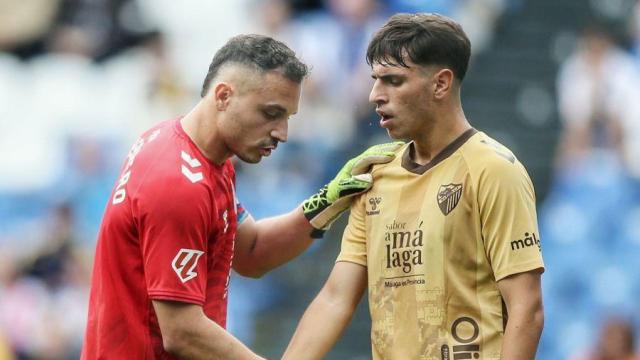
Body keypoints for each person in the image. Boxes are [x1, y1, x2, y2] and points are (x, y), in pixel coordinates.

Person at [81, 34, 402, 359]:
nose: (282, 133)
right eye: (271, 113)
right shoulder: (178, 184)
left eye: (287, 117)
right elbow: (181, 332)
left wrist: (330, 198)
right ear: (224, 96)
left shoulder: (200, 159)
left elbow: (251, 251)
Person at [284, 13, 545, 360]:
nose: (375, 95)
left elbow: (527, 309)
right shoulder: (375, 176)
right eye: (375, 80)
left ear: (440, 84)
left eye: (393, 80)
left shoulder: (494, 170)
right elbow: (335, 298)